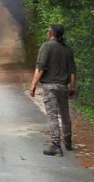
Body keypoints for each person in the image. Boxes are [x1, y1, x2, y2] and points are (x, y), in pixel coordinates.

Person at [29, 23, 77, 156]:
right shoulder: (68, 49)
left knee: (52, 115)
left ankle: (56, 145)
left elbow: (40, 68)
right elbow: (72, 71)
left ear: (51, 33)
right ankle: (68, 142)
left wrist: (33, 84)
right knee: (65, 115)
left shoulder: (46, 46)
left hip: (50, 86)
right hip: (63, 87)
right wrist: (72, 87)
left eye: (48, 31)